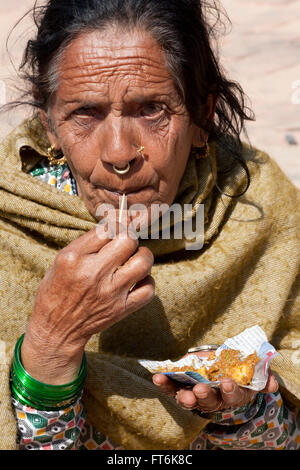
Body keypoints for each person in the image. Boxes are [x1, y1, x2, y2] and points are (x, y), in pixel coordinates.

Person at [0, 0, 299, 450]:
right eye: (85, 114)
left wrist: (242, 409)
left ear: (202, 118)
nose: (119, 153)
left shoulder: (257, 206)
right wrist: (49, 345)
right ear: (51, 127)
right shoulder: (9, 222)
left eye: (151, 109)